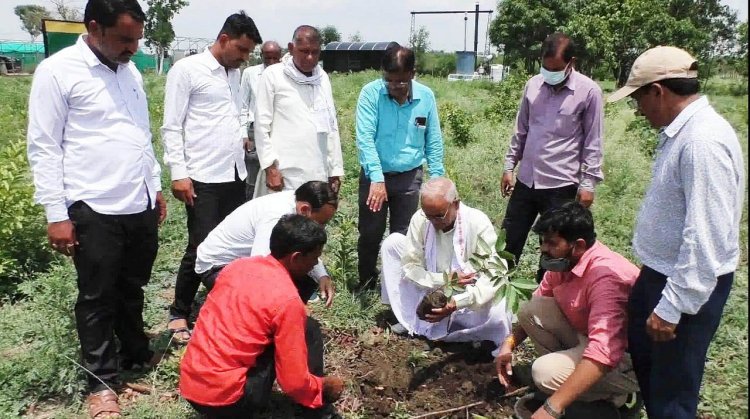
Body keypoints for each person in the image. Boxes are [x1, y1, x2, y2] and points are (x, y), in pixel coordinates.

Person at [26, 0, 167, 417]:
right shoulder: (58, 72)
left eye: (137, 39)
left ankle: (135, 355)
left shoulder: (131, 70)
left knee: (133, 284)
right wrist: (57, 214)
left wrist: (153, 185)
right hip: (93, 204)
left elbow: (140, 133)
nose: (132, 48)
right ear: (94, 27)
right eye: (125, 39)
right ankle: (101, 383)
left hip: (137, 200)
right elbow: (44, 146)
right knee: (97, 295)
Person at [608, 46, 745, 419]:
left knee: (673, 395)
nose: (638, 109)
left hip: (684, 285)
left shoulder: (702, 143)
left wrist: (671, 308)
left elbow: (706, 238)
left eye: (639, 98)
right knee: (655, 380)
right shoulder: (683, 133)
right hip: (663, 275)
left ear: (658, 91)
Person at [180, 214, 345, 419]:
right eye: (313, 258)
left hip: (190, 386)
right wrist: (322, 388)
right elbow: (292, 382)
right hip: (228, 401)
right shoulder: (287, 299)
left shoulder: (237, 267)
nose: (314, 265)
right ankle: (315, 409)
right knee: (308, 328)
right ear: (295, 257)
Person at [162, 12, 262, 344]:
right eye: (242, 49)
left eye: (249, 52)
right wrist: (179, 173)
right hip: (202, 176)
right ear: (223, 39)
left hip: (234, 173)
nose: (245, 57)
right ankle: (179, 312)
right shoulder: (187, 71)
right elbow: (172, 126)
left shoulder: (235, 74)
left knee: (232, 244)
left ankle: (229, 305)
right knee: (201, 245)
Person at [495, 202, 641, 419]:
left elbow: (604, 352)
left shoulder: (606, 280)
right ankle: (573, 388)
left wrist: (551, 408)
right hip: (588, 337)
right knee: (530, 309)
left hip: (624, 361)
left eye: (552, 243)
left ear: (579, 245)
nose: (544, 249)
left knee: (543, 373)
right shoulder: (564, 261)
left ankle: (618, 400)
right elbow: (539, 302)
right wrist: (509, 344)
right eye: (543, 242)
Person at [500, 32, 603, 283]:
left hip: (561, 184)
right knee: (509, 238)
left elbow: (593, 140)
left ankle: (545, 294)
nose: (549, 73)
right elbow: (521, 129)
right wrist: (509, 165)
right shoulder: (533, 85)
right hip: (527, 180)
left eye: (555, 69)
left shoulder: (589, 92)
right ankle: (499, 287)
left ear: (571, 63)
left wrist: (588, 183)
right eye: (545, 67)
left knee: (554, 247)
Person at [380, 178, 511, 352]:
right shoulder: (421, 219)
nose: (433, 222)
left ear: (455, 204)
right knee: (392, 244)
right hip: (430, 287)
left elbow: (496, 271)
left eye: (439, 216)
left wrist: (457, 302)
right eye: (429, 216)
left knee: (499, 309)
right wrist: (442, 280)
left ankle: (473, 337)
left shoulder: (477, 221)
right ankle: (409, 319)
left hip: (467, 293)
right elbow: (410, 265)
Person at [355, 45, 445, 289]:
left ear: (412, 73)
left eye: (401, 81)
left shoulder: (425, 97)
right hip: (375, 176)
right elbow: (365, 138)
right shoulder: (371, 94)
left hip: (409, 178)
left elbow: (433, 140)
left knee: (404, 236)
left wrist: (438, 181)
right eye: (389, 80)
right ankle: (367, 281)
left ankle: (395, 286)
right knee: (370, 233)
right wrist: (376, 178)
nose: (394, 86)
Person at [195, 181, 338, 306]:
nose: (321, 229)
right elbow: (261, 269)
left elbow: (305, 252)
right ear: (305, 210)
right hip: (217, 267)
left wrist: (321, 275)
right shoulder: (275, 216)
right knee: (268, 291)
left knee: (303, 279)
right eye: (321, 223)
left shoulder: (297, 202)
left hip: (244, 262)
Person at [253, 25, 343, 198]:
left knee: (312, 223)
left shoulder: (322, 78)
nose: (309, 57)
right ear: (291, 48)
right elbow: (261, 125)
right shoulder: (273, 75)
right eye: (304, 51)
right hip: (284, 174)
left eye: (315, 52)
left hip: (317, 171)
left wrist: (335, 170)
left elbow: (331, 126)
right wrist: (270, 168)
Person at [240, 40, 282, 200]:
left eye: (275, 58)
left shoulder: (284, 74)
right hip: (254, 129)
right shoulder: (250, 74)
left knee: (274, 170)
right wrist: (244, 134)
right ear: (261, 56)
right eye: (267, 58)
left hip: (277, 129)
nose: (271, 62)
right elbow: (243, 105)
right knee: (253, 173)